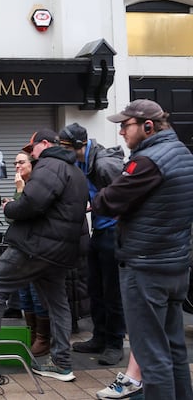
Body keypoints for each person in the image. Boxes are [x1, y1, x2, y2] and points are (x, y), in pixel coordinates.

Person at [92, 99, 193, 400]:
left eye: (125, 125)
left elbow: (107, 202)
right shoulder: (183, 153)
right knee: (174, 349)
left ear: (148, 127)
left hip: (146, 268)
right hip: (174, 266)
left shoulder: (146, 162)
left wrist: (109, 188)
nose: (121, 132)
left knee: (151, 355)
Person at [0, 129, 88, 382]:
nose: (30, 154)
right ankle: (61, 363)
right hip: (60, 251)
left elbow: (31, 204)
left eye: (31, 148)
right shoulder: (75, 171)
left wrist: (10, 207)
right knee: (57, 304)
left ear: (44, 144)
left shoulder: (49, 165)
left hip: (35, 248)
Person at [59, 122, 127, 366]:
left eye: (66, 146)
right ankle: (99, 337)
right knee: (95, 288)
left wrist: (98, 206)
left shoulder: (105, 164)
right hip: (99, 230)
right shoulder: (79, 162)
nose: (63, 150)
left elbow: (124, 196)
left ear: (80, 145)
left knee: (112, 291)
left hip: (113, 232)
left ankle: (114, 343)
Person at [9, 151, 51, 357]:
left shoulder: (34, 186)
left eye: (21, 162)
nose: (17, 166)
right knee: (24, 294)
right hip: (23, 249)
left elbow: (22, 214)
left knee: (36, 294)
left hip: (37, 250)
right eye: (15, 163)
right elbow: (13, 217)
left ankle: (43, 339)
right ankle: (33, 335)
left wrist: (17, 195)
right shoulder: (23, 185)